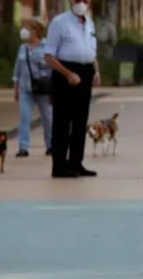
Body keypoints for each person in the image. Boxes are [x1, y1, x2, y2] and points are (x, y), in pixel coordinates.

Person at [44, 0, 99, 178]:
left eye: (85, 0)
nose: (81, 3)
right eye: (77, 0)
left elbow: (91, 50)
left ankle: (76, 162)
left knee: (80, 120)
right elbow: (49, 56)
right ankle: (59, 166)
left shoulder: (89, 22)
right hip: (65, 73)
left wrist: (96, 71)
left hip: (86, 72)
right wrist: (67, 74)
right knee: (62, 121)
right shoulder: (59, 22)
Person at [13, 17, 53, 157]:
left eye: (27, 28)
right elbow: (17, 69)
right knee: (24, 118)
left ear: (36, 31)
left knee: (48, 117)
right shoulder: (22, 48)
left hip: (43, 89)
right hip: (26, 88)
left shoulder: (47, 46)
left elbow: (52, 67)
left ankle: (51, 145)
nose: (24, 31)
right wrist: (16, 87)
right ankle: (23, 147)